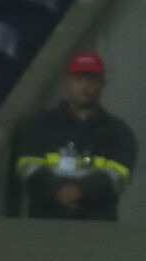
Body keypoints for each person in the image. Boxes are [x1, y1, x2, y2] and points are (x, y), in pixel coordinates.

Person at [14, 51, 137, 221]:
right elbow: (27, 168)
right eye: (79, 79)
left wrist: (79, 191)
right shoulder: (39, 126)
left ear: (102, 84)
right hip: (45, 223)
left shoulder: (118, 132)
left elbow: (118, 175)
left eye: (92, 80)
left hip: (97, 226)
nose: (85, 87)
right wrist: (57, 191)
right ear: (67, 82)